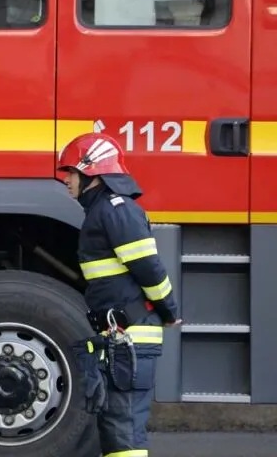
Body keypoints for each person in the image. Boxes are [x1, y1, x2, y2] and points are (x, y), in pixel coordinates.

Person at [57, 132, 181, 457]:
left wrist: (169, 311)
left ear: (93, 173)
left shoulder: (116, 210)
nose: (66, 179)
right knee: (115, 428)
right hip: (122, 336)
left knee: (123, 431)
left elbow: (149, 268)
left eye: (71, 172)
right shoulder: (105, 211)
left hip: (131, 338)